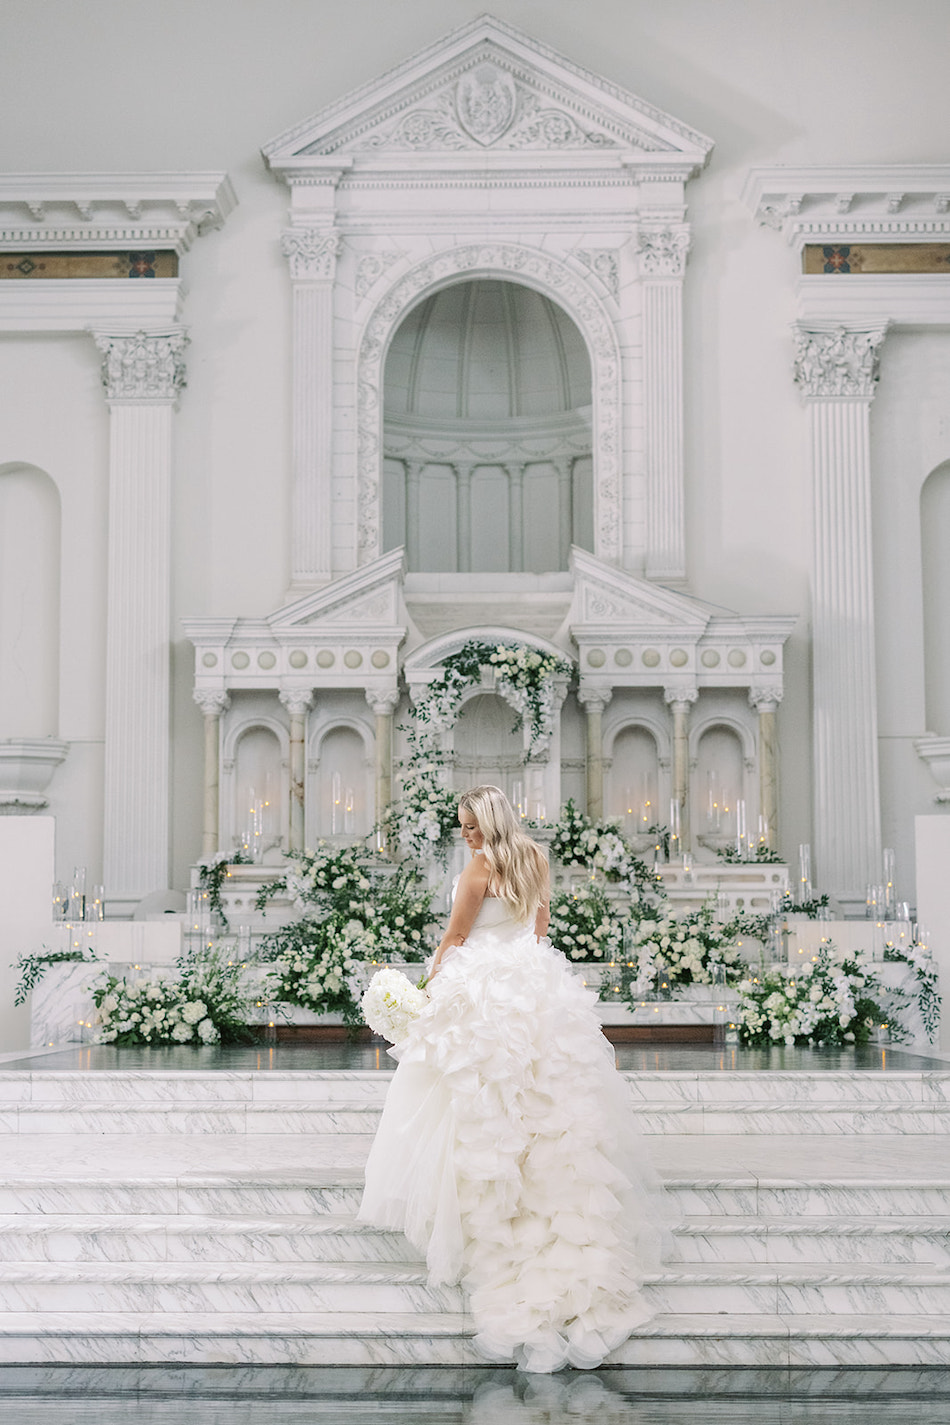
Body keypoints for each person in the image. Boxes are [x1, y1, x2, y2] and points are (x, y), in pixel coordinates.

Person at [358, 784, 669, 1373]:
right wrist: (531, 980)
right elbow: (538, 931)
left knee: (478, 1094)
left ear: (489, 821)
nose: (466, 835)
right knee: (546, 1096)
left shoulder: (479, 867)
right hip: (532, 983)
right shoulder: (534, 858)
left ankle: (491, 1214)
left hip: (483, 986)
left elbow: (455, 937)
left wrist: (421, 993)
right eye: (463, 827)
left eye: (470, 825)